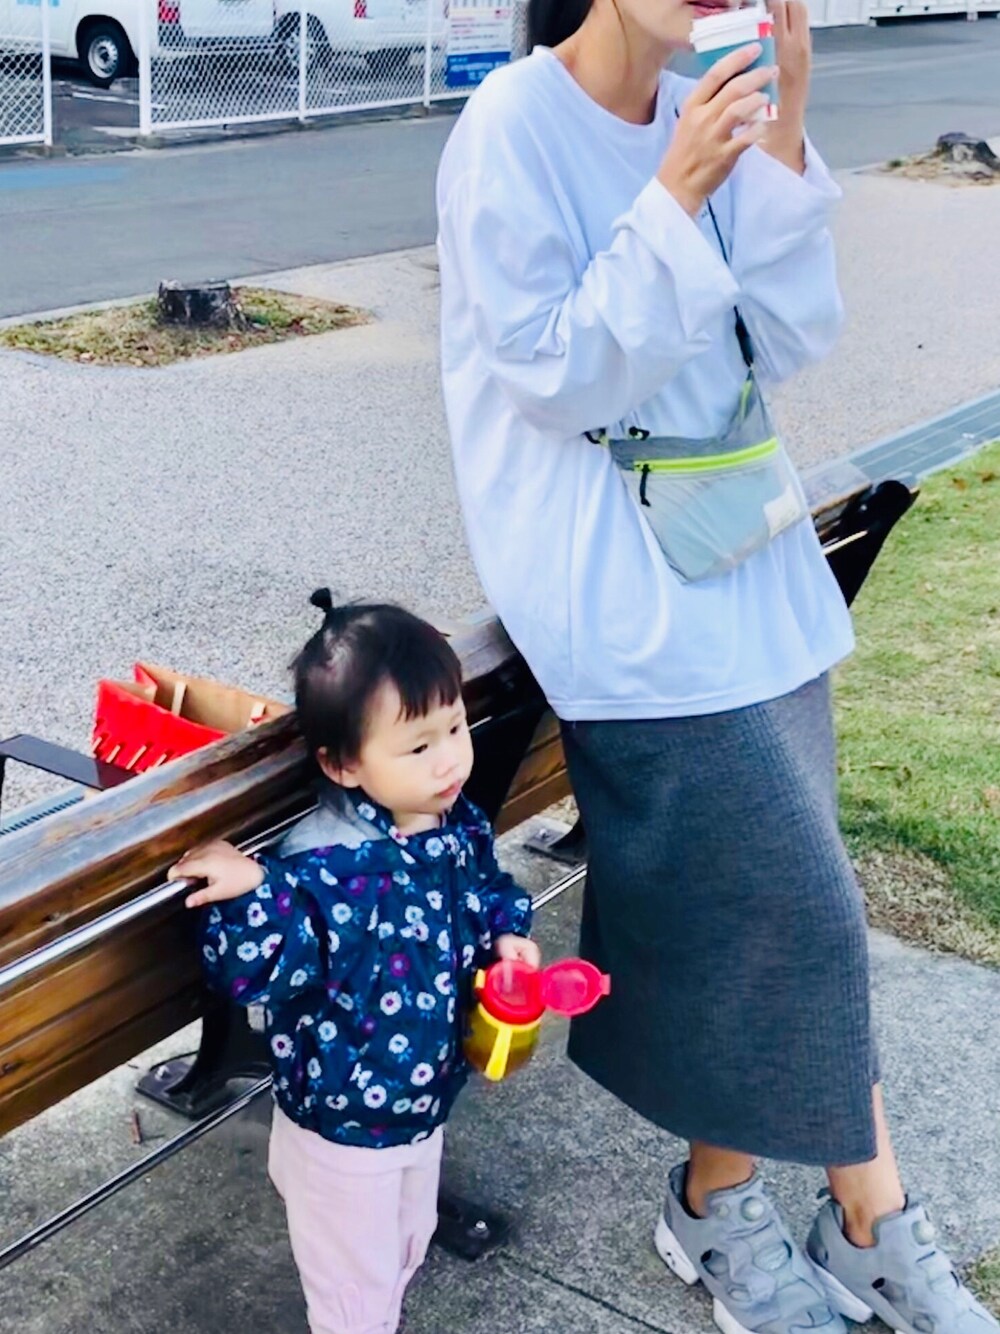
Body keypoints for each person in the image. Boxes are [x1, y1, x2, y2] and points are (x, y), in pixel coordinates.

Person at [435, 3, 998, 1333]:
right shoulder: (511, 126)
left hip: (744, 562)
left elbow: (788, 339)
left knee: (759, 917)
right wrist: (678, 193)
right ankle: (857, 1217)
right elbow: (556, 375)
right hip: (621, 597)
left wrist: (783, 127)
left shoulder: (706, 105)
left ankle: (734, 1202)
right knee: (805, 914)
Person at [171, 592, 539, 1334]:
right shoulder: (332, 868)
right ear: (342, 765)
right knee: (353, 1289)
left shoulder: (449, 823)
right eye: (417, 747)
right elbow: (258, 963)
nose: (449, 758)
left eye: (454, 727)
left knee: (403, 1245)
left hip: (422, 1099)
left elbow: (486, 890)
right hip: (344, 1125)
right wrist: (251, 889)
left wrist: (506, 932)